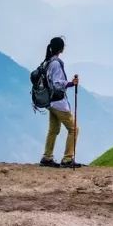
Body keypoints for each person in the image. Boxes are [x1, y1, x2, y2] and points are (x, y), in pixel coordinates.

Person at [39, 36, 81, 168]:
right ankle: (68, 159)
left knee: (53, 129)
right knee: (74, 129)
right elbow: (57, 83)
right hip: (58, 102)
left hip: (50, 102)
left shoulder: (47, 62)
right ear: (61, 49)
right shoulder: (56, 63)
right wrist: (70, 83)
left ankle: (47, 157)